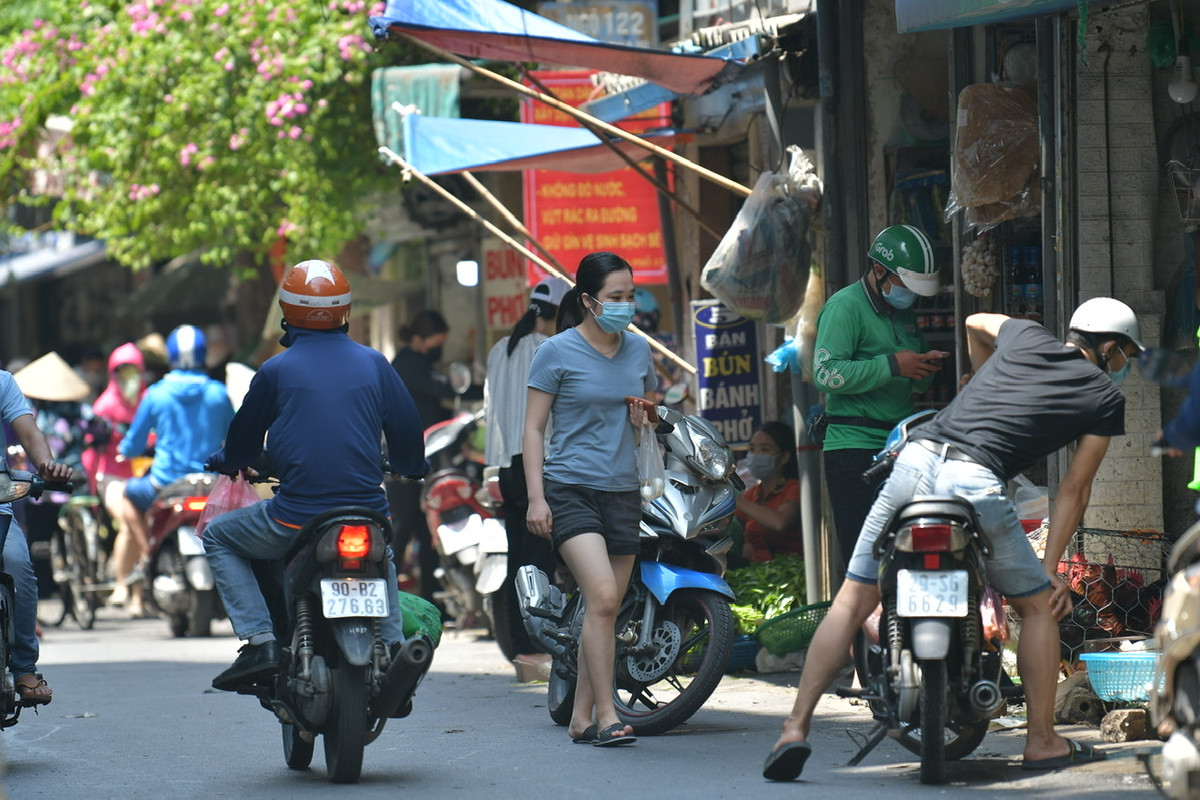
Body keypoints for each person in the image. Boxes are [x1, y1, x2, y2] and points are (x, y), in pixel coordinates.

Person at [762, 296, 1142, 780]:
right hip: (976, 481)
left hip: (915, 460)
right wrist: (1048, 572)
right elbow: (1075, 489)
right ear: (1109, 346)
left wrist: (980, 377)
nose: (1125, 366)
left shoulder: (1025, 335)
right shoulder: (1105, 397)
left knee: (852, 602)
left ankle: (794, 728)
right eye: (1126, 354)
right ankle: (1042, 741)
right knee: (1036, 607)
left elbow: (973, 322)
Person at [203, 259, 426, 690]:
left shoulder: (275, 370)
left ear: (287, 310)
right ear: (345, 309)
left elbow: (243, 443)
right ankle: (397, 649)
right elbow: (407, 435)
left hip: (294, 518)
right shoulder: (376, 363)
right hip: (368, 515)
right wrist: (411, 467)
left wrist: (229, 460)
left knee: (218, 535)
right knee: (383, 559)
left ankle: (261, 642)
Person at [524, 251, 656, 746]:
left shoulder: (639, 352)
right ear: (587, 301)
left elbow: (648, 410)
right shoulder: (555, 352)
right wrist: (537, 499)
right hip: (570, 488)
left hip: (622, 491)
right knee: (602, 596)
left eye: (631, 296)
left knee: (604, 609)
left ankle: (578, 716)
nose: (626, 306)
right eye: (615, 297)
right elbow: (534, 429)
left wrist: (647, 417)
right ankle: (607, 714)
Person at [813, 224, 945, 575]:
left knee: (907, 554)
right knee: (865, 561)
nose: (910, 297)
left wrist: (923, 368)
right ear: (878, 270)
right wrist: (892, 365)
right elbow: (825, 374)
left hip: (900, 446)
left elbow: (912, 385)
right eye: (906, 287)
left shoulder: (903, 312)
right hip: (854, 449)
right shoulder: (844, 307)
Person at [483, 275, 570, 674]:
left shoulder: (502, 348)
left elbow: (492, 413)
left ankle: (524, 650)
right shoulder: (551, 348)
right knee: (541, 562)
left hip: (507, 467)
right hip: (542, 463)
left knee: (521, 559)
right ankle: (540, 648)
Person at [117, 325, 234, 617]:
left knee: (125, 495)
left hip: (165, 485)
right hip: (211, 485)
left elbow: (133, 444)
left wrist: (127, 452)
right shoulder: (218, 393)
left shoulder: (156, 394)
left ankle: (147, 553)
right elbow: (235, 439)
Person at [388, 310, 479, 603]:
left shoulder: (417, 364)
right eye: (434, 343)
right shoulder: (408, 365)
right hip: (401, 461)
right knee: (401, 531)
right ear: (418, 339)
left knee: (426, 533)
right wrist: (480, 391)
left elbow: (435, 408)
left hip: (418, 460)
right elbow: (443, 389)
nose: (436, 349)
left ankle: (429, 598)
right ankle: (386, 593)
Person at [0, 368, 74, 704]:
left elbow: (30, 434)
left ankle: (24, 669)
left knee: (19, 567)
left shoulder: (3, 382)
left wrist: (46, 464)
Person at [84, 343, 146, 609]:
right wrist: (91, 487)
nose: (127, 378)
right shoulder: (104, 405)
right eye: (121, 372)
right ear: (113, 373)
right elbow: (91, 449)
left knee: (140, 526)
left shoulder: (149, 399)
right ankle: (121, 582)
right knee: (129, 521)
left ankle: (138, 598)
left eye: (133, 371)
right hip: (111, 477)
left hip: (143, 475)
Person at [734, 421, 801, 563]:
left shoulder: (794, 488)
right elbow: (749, 543)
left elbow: (780, 523)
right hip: (759, 573)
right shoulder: (752, 494)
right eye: (752, 449)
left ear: (784, 458)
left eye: (764, 450)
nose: (755, 455)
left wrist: (735, 499)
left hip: (792, 571)